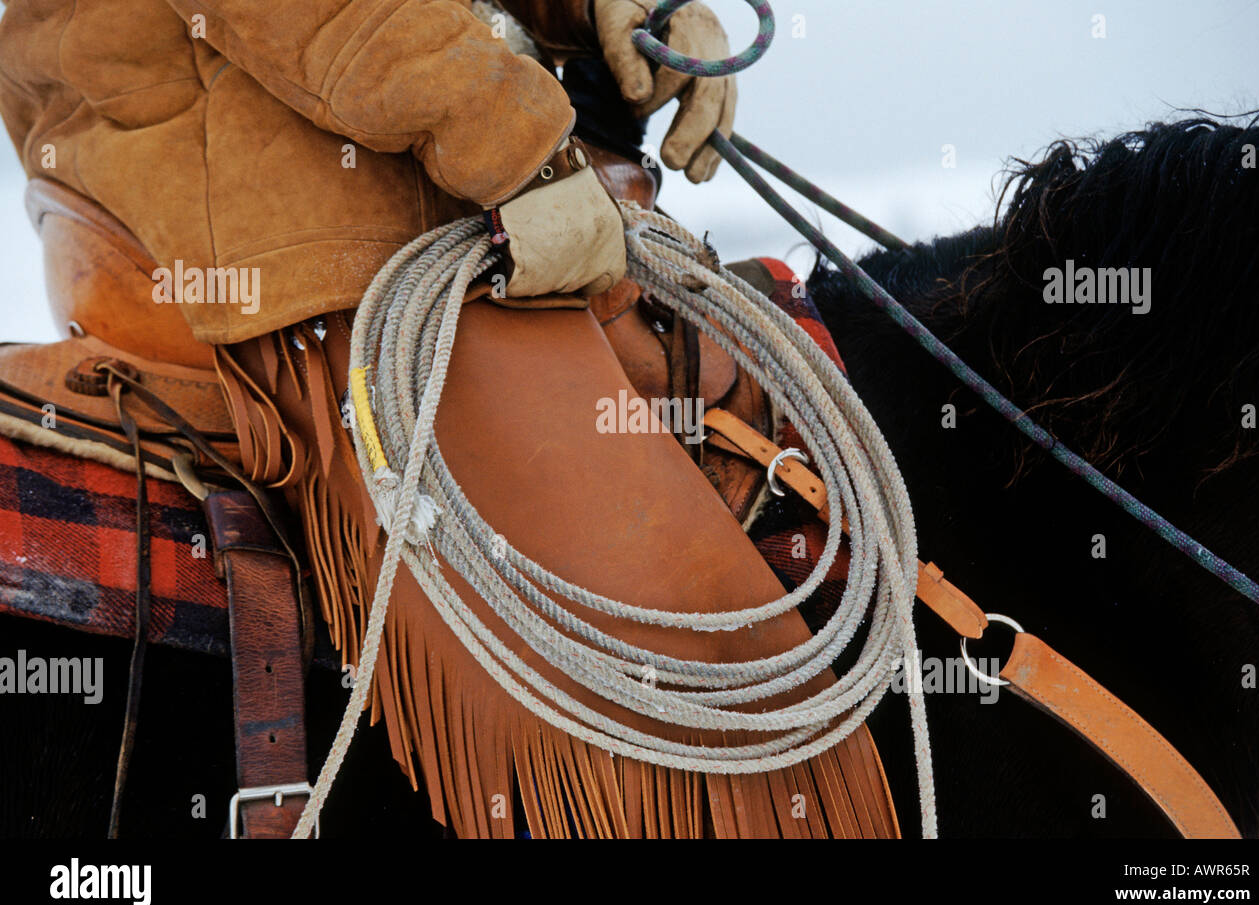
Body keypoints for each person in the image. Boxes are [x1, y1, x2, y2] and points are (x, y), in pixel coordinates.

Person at [0, 0, 898, 838]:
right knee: (646, 625)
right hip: (260, 178)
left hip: (413, 137)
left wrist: (592, 8)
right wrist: (512, 143)